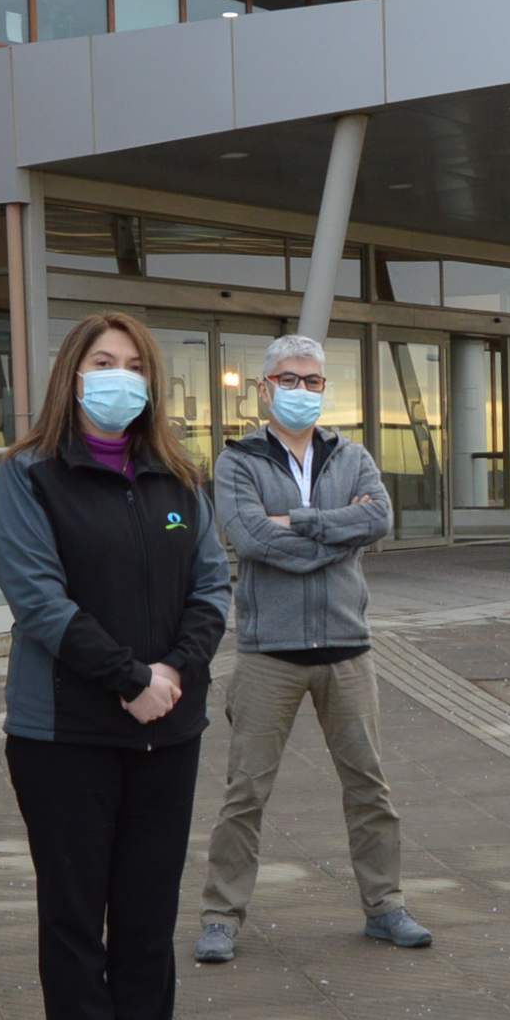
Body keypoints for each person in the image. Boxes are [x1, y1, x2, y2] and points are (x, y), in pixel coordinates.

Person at [0, 312, 230, 1020]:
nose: (118, 376)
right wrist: (130, 679)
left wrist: (171, 677)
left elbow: (212, 590)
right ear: (71, 374)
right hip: (67, 735)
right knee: (74, 917)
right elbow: (41, 601)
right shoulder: (29, 477)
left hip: (170, 730)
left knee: (146, 917)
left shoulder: (179, 479)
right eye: (102, 361)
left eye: (132, 364)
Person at [197, 335, 431, 962]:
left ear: (326, 388)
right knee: (244, 793)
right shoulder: (237, 462)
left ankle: (386, 906)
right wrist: (336, 532)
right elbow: (248, 538)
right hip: (267, 652)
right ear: (264, 387)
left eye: (313, 380)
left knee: (370, 787)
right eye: (288, 378)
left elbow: (380, 518)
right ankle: (221, 916)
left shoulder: (352, 456)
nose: (301, 390)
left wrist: (297, 522)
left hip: (346, 649)